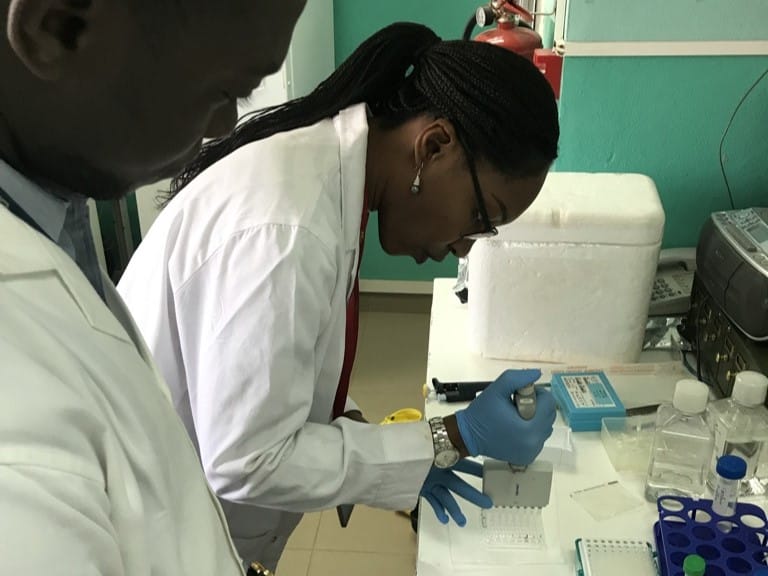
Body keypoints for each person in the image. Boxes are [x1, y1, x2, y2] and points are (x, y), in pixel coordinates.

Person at [118, 22, 560, 571]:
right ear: (434, 145)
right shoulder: (288, 229)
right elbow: (247, 459)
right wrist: (450, 435)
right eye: (479, 216)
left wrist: (402, 456)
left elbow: (288, 373)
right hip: (149, 536)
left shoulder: (331, 185)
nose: (464, 247)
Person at [0, 0, 306, 573]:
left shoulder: (50, 211)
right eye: (227, 92)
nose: (225, 127)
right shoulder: (14, 440)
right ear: (59, 28)